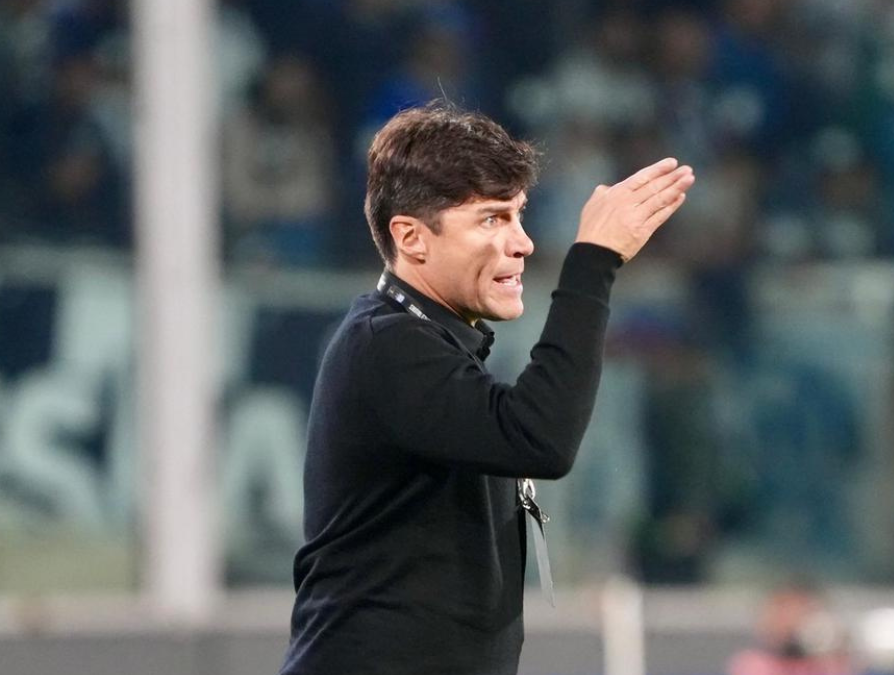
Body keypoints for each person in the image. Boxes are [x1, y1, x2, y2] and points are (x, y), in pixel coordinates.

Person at [279, 102, 694, 675]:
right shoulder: (385, 344)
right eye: (491, 219)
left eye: (519, 215)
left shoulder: (432, 345)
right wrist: (593, 263)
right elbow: (538, 437)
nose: (522, 243)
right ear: (412, 237)